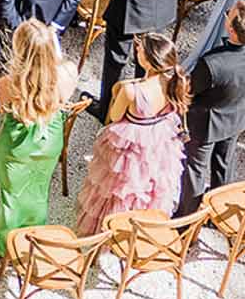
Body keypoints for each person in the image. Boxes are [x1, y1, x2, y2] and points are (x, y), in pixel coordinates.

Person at [74, 30, 189, 234]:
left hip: (132, 143)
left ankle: (109, 229)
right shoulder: (174, 83)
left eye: (140, 50)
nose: (137, 50)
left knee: (118, 190)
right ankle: (138, 226)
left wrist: (122, 87)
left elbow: (115, 116)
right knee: (148, 186)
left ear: (147, 61)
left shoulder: (131, 90)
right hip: (159, 140)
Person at [0, 19, 76, 251]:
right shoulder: (67, 73)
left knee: (12, 196)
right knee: (39, 190)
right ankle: (33, 233)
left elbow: (4, 109)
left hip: (18, 142)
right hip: (50, 137)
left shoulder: (8, 84)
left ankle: (5, 243)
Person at [175, 0, 245, 214]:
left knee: (196, 170)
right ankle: (219, 211)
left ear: (231, 30)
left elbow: (191, 90)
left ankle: (186, 220)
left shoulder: (214, 63)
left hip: (206, 124)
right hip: (237, 114)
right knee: (224, 162)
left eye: (228, 14)